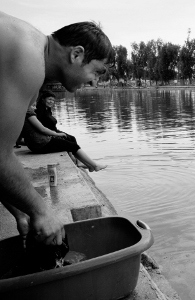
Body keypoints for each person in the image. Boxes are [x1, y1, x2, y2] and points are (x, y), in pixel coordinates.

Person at [0, 10, 114, 246]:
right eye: (97, 71)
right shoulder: (29, 59)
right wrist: (41, 210)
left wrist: (21, 211)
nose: (95, 82)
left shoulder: (30, 49)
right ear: (76, 54)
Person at [22, 102, 107, 172]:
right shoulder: (28, 111)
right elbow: (42, 129)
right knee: (72, 146)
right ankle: (95, 166)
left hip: (34, 144)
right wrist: (57, 134)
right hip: (41, 142)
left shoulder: (20, 111)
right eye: (33, 105)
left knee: (68, 142)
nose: (35, 107)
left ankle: (90, 166)